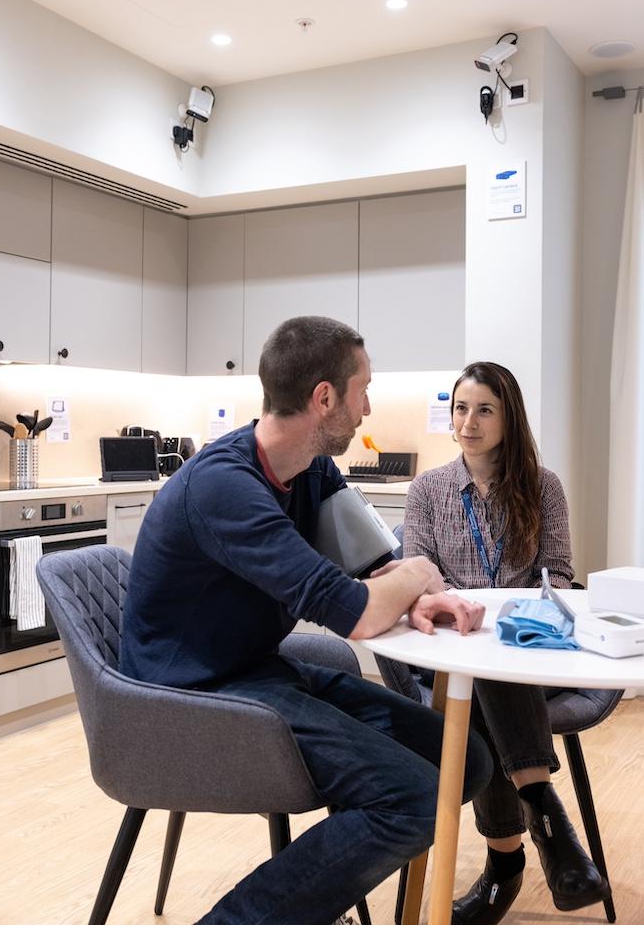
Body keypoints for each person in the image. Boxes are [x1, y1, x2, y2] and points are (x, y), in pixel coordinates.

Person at [120, 316, 492, 925]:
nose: (368, 408)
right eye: (362, 390)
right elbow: (358, 615)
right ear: (325, 398)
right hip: (188, 694)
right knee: (414, 796)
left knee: (462, 762)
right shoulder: (226, 487)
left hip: (252, 672)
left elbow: (372, 568)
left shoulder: (308, 470)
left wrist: (415, 593)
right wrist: (421, 576)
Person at [404, 361, 611, 925]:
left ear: (508, 418)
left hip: (532, 654)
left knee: (489, 680)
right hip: (453, 651)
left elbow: (561, 577)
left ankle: (505, 867)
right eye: (461, 408)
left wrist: (517, 619)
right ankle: (549, 823)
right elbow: (418, 576)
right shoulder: (428, 490)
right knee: (480, 674)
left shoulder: (543, 487)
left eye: (485, 409)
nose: (469, 422)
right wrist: (458, 613)